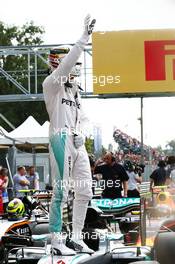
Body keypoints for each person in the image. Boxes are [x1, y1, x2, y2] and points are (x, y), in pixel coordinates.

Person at [43, 15, 95, 255]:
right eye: (69, 62)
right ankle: (56, 240)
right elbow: (67, 66)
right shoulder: (52, 83)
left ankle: (76, 238)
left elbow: (83, 118)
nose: (75, 67)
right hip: (59, 137)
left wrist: (82, 133)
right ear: (58, 62)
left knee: (85, 190)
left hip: (76, 140)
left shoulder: (76, 91)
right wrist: (83, 39)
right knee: (61, 191)